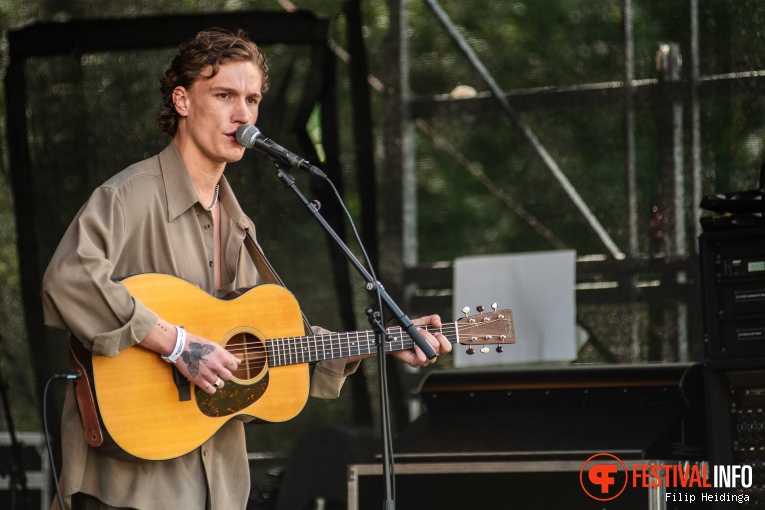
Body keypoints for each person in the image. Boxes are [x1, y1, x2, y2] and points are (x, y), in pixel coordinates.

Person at [41, 27, 451, 510]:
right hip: (133, 487)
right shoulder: (128, 197)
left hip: (220, 485)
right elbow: (67, 278)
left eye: (252, 99)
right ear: (182, 100)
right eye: (224, 95)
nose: (243, 114)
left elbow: (272, 340)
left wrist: (391, 339)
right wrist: (175, 344)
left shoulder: (237, 223)